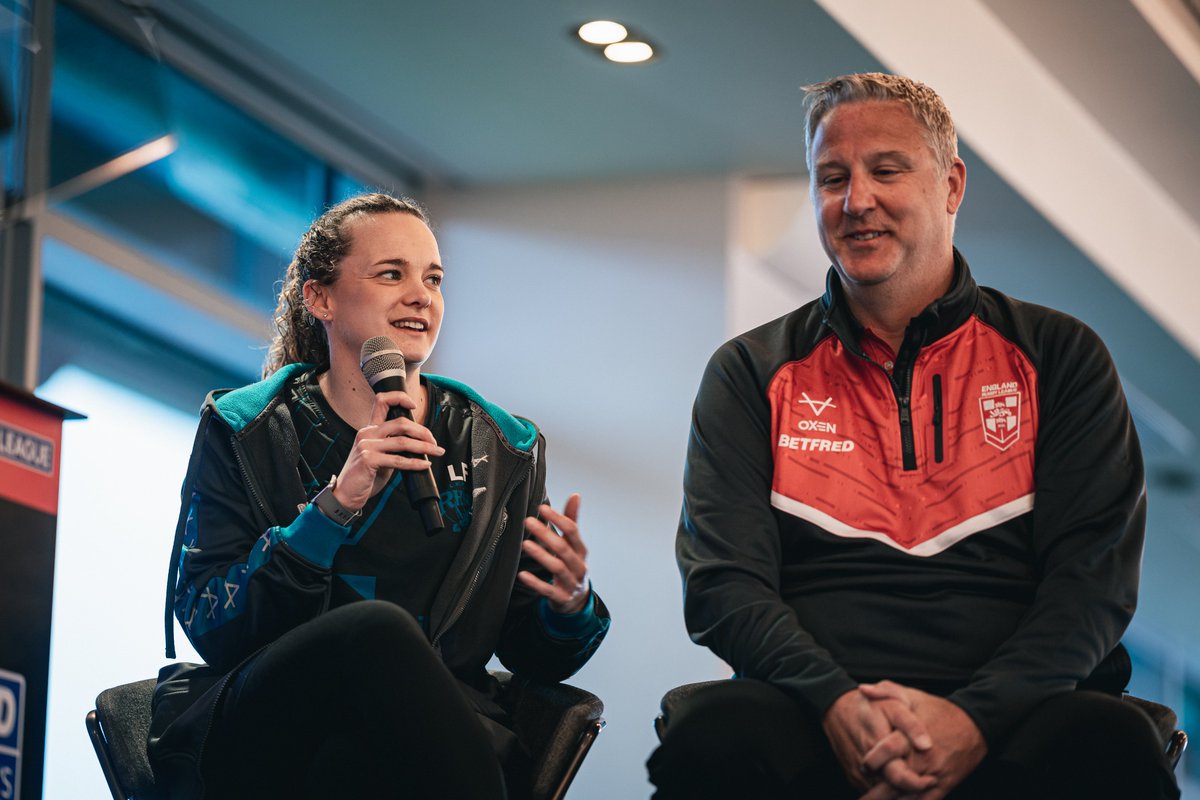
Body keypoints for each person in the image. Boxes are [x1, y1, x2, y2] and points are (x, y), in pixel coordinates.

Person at [647, 73, 1178, 799]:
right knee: (714, 735)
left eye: (885, 170)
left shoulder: (1059, 356)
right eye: (831, 177)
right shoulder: (749, 371)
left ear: (952, 185)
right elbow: (721, 583)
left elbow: (1093, 589)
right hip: (814, 712)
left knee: (1109, 747)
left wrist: (973, 722)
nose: (855, 200)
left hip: (1020, 718)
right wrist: (837, 705)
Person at [147, 193, 610, 799]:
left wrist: (567, 607)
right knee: (375, 631)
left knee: (356, 767)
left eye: (434, 279)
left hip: (429, 740)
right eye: (392, 273)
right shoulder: (247, 429)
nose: (421, 295)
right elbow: (212, 621)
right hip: (276, 726)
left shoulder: (503, 447)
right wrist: (332, 509)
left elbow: (532, 656)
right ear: (320, 299)